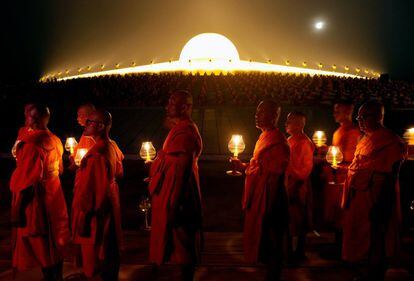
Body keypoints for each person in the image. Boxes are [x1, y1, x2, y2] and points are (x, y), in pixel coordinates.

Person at [342, 101, 406, 281]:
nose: (360, 121)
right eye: (358, 117)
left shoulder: (391, 142)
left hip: (376, 200)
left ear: (379, 116)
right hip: (360, 199)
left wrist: (381, 207)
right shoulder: (365, 139)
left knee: (377, 240)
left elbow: (388, 176)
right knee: (362, 241)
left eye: (365, 117)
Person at [10, 104, 70, 281]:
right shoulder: (55, 139)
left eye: (29, 115)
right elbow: (60, 170)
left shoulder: (32, 145)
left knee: (42, 244)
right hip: (55, 195)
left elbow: (27, 181)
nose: (26, 118)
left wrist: (18, 209)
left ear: (34, 119)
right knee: (55, 240)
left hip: (37, 199)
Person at [231, 100, 289, 281]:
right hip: (261, 196)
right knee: (265, 241)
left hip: (271, 198)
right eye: (256, 111)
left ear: (274, 116)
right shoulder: (264, 137)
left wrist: (268, 207)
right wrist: (243, 166)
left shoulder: (278, 141)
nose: (256, 115)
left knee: (273, 241)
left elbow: (275, 174)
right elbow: (259, 167)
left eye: (261, 112)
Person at [148, 90, 203, 281]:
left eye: (172, 102)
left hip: (181, 196)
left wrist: (174, 203)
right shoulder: (179, 128)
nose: (167, 106)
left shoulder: (186, 131)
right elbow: (172, 162)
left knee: (183, 242)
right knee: (179, 241)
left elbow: (184, 170)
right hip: (174, 193)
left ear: (185, 107)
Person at [71, 109, 124, 281]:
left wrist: (85, 217)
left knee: (95, 252)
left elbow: (93, 190)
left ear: (101, 126)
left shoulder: (97, 155)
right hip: (110, 202)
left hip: (95, 211)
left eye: (89, 122)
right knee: (108, 246)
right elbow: (119, 173)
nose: (85, 124)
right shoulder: (111, 146)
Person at [285, 111, 314, 260]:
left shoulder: (303, 142)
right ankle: (289, 250)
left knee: (298, 219)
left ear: (300, 124)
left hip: (297, 185)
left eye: (290, 121)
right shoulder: (291, 140)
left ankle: (299, 251)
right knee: (289, 219)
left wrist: (295, 186)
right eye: (287, 120)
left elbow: (305, 168)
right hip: (289, 183)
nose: (286, 123)